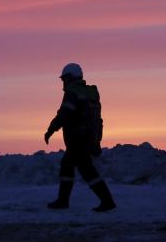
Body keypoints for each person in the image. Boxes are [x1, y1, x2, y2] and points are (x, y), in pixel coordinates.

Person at [44, 62, 116, 212]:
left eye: (64, 78)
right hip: (87, 139)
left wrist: (51, 129)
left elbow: (64, 114)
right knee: (69, 165)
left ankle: (106, 201)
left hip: (77, 139)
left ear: (70, 77)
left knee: (86, 170)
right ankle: (63, 200)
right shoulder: (91, 94)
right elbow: (98, 121)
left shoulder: (72, 92)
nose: (63, 82)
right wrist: (96, 142)